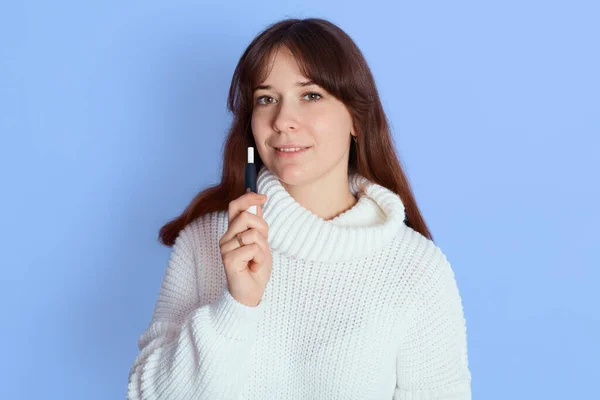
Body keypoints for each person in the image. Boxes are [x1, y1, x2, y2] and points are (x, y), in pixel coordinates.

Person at [127, 17, 472, 400]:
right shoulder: (207, 241)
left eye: (311, 95)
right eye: (266, 99)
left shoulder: (416, 268)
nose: (283, 121)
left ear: (357, 118)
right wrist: (237, 305)